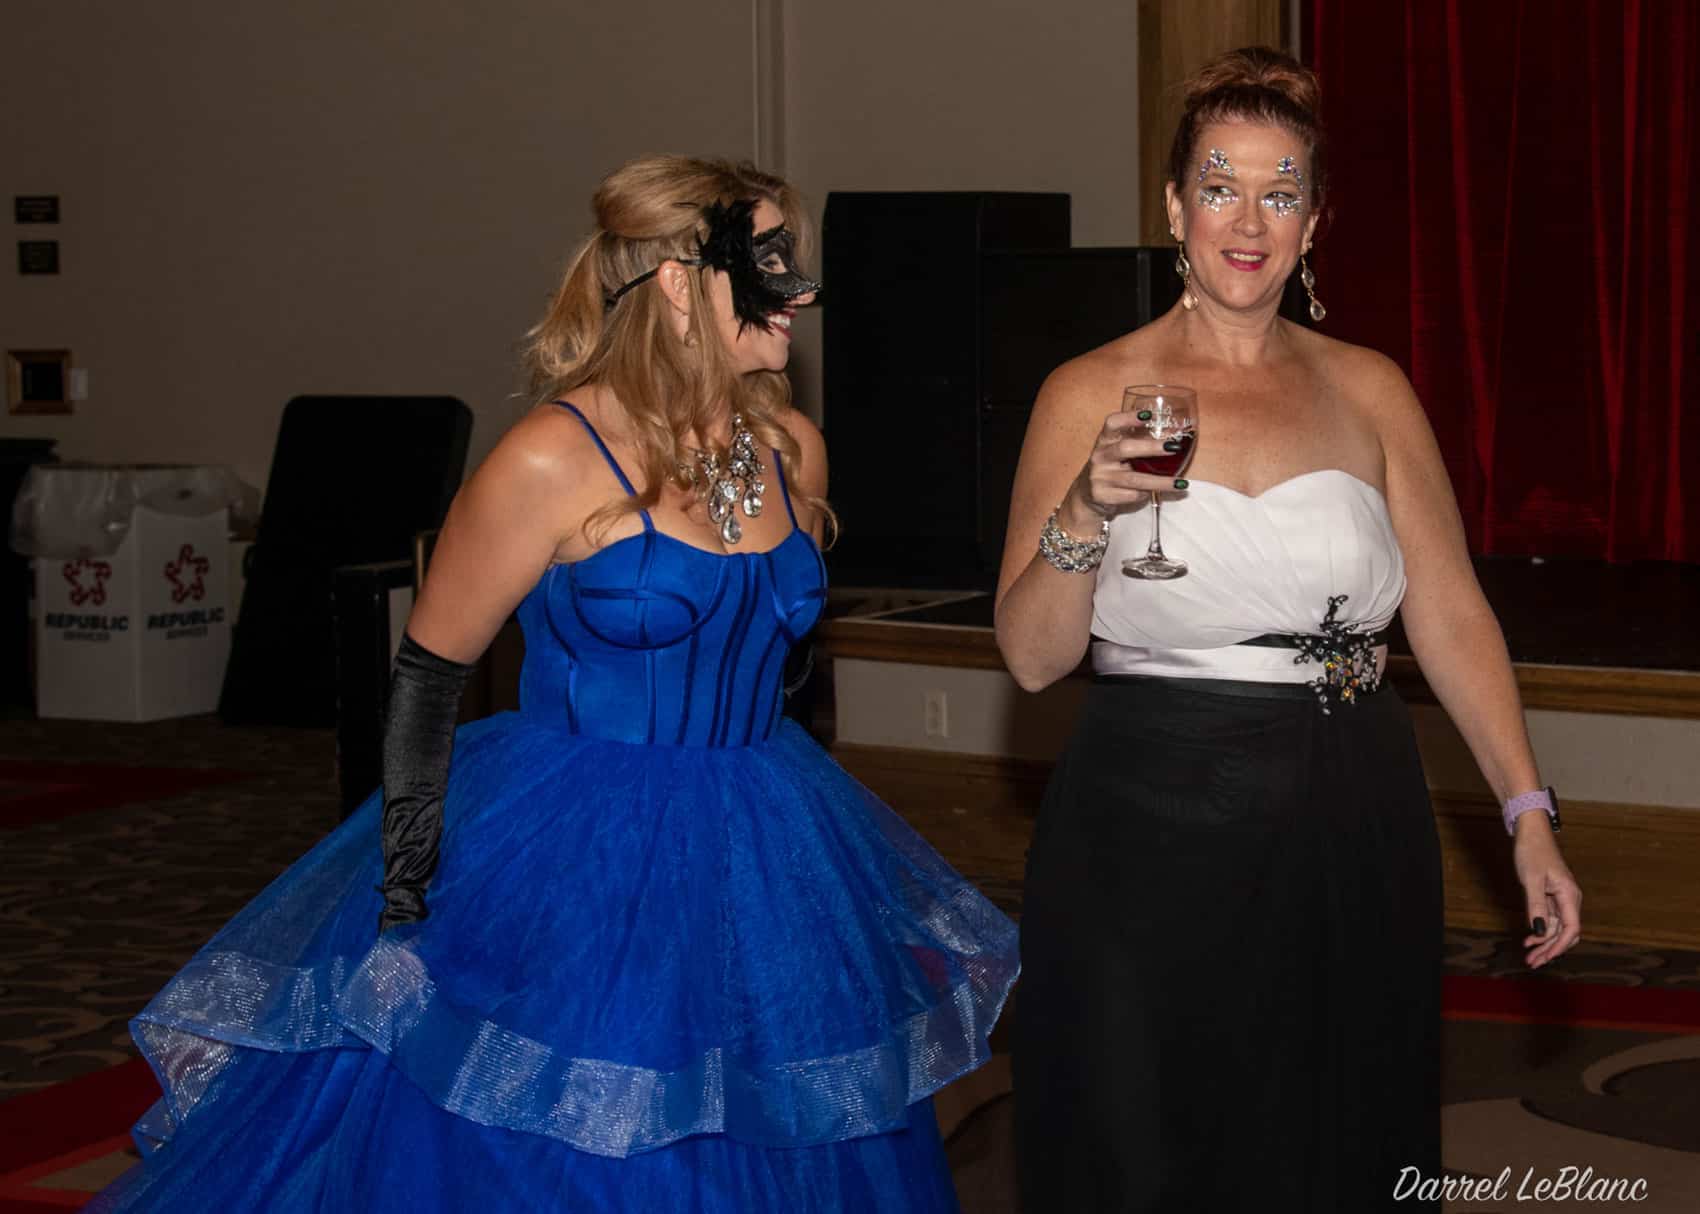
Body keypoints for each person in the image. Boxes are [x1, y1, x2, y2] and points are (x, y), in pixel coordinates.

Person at [92, 156, 1017, 1213]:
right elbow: (427, 677)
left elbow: (784, 667)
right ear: (679, 284)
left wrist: (802, 845)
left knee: (787, 1126)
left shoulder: (790, 450)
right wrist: (407, 900)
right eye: (767, 262)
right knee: (579, 1139)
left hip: (765, 830)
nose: (799, 292)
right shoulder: (549, 456)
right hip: (580, 849)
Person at [996, 48, 1582, 1213]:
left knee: (1332, 1128)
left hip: (1347, 800)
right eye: (1219, 185)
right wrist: (1083, 511)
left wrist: (1526, 811)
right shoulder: (1086, 391)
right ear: (1174, 207)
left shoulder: (1369, 389)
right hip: (1149, 809)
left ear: (1313, 222)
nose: (1247, 220)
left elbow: (1450, 609)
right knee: (1147, 1130)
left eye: (1280, 191)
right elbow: (1031, 654)